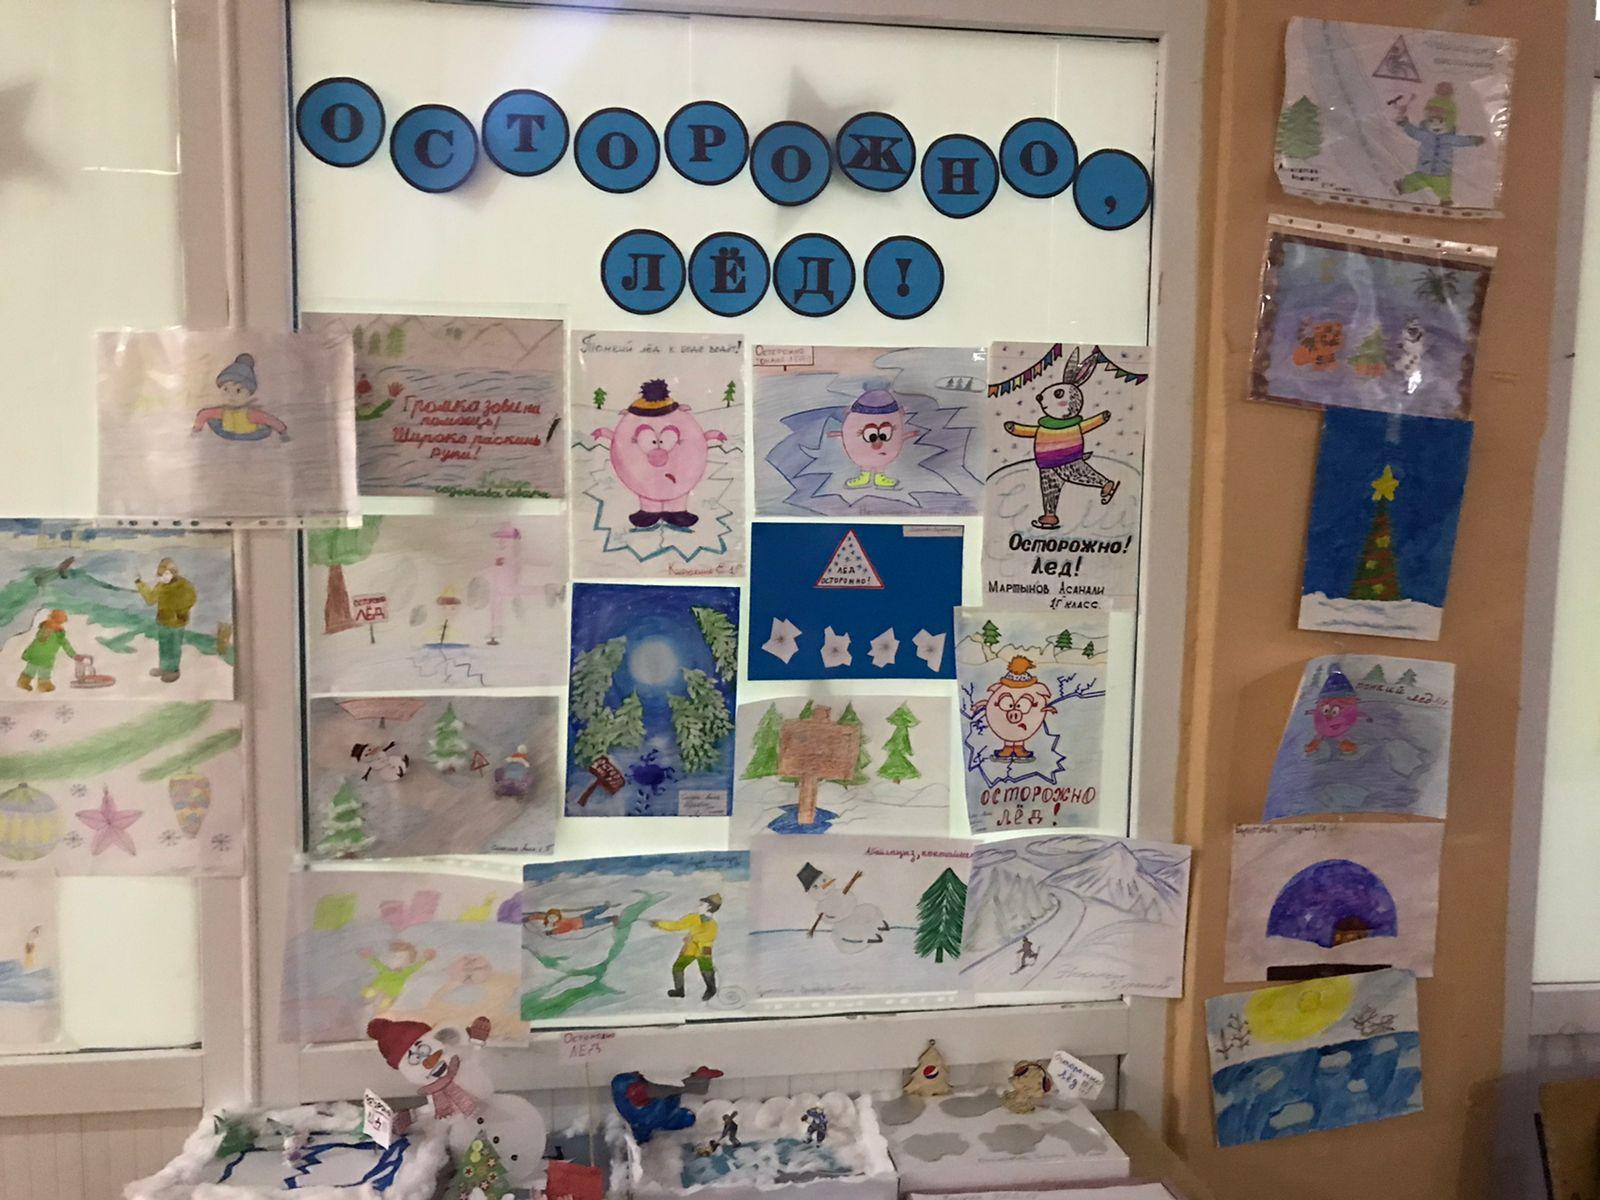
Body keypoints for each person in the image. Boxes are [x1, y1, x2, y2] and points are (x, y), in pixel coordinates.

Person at [1395, 83, 1485, 208]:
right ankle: (1404, 187)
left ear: (1449, 121)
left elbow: (1462, 140)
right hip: (1424, 169)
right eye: (1431, 120)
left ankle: (1445, 200)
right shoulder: (1425, 135)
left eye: (1441, 121)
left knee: (1443, 187)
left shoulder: (1449, 138)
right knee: (1415, 179)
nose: (1436, 125)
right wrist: (1405, 124)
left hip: (1442, 172)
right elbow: (1413, 132)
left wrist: (1474, 140)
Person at [191, 352, 290, 441]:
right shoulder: (222, 412)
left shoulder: (251, 414)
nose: (231, 395)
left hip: (250, 435)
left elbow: (271, 420)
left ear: (249, 393)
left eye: (238, 391)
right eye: (226, 389)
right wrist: (197, 429)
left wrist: (283, 432)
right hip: (226, 433)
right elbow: (204, 414)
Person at [136, 557, 197, 684]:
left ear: (174, 573)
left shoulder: (184, 585)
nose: (164, 577)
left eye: (167, 574)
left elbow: (191, 599)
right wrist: (140, 584)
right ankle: (164, 668)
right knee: (164, 646)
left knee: (174, 648)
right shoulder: (161, 585)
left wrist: (181, 612)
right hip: (163, 621)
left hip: (177, 623)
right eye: (161, 575)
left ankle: (173, 671)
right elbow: (150, 599)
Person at [652, 893, 721, 1001]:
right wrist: (659, 923)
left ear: (709, 907)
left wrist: (693, 937)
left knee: (706, 969)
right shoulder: (693, 917)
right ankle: (679, 990)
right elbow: (677, 925)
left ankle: (711, 989)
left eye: (702, 905)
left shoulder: (712, 924)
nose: (698, 906)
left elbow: (709, 936)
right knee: (678, 967)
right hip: (690, 948)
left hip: (704, 949)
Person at [17, 609, 82, 693]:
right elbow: (66, 645)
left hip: (41, 656)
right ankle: (37, 684)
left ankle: (30, 683)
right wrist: (74, 655)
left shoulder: (49, 631)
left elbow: (34, 644)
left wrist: (27, 653)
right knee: (39, 671)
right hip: (43, 657)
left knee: (35, 670)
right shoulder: (57, 633)